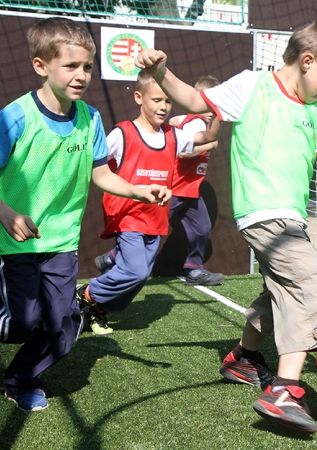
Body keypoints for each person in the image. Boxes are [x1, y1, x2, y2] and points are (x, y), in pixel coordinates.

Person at [134, 21, 317, 434]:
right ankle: (285, 389)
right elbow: (191, 98)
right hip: (263, 214)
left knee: (277, 292)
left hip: (291, 216)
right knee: (311, 287)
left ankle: (243, 357)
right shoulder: (252, 86)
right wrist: (160, 72)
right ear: (307, 60)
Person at [0, 17, 171, 411]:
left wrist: (138, 190)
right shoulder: (15, 117)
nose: (82, 76)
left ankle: (20, 379)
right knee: (24, 322)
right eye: (71, 66)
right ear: (41, 66)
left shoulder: (91, 119)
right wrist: (6, 212)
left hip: (60, 242)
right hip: (11, 243)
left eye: (88, 67)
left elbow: (101, 175)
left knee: (64, 326)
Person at [76, 71, 217, 336]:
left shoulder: (172, 135)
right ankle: (84, 294)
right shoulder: (122, 133)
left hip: (156, 219)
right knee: (137, 273)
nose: (163, 106)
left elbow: (206, 138)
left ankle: (95, 312)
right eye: (157, 100)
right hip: (128, 216)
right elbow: (97, 168)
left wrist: (218, 112)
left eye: (167, 101)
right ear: (139, 98)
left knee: (135, 280)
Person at [165, 75, 225, 286]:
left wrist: (178, 121)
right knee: (152, 226)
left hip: (191, 189)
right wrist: (209, 145)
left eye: (215, 107)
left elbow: (174, 121)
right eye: (208, 106)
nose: (212, 113)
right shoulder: (196, 124)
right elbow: (182, 153)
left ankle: (194, 270)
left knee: (202, 227)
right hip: (176, 188)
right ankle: (115, 258)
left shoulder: (191, 121)